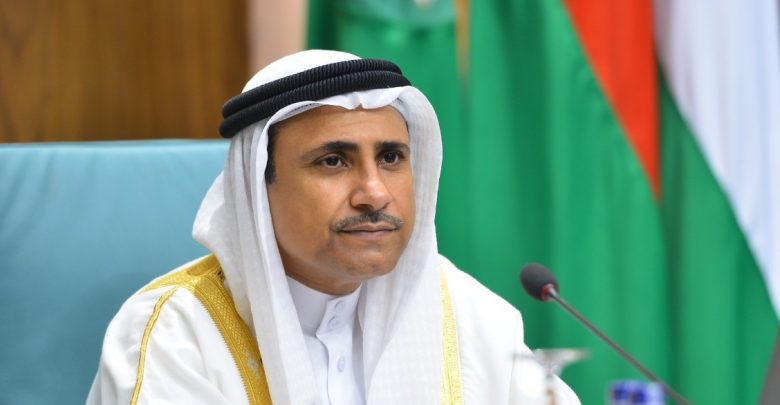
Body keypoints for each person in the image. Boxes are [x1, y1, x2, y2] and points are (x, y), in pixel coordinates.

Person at [86, 50, 580, 405]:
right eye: (333, 161)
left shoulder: (470, 315)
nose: (374, 193)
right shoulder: (177, 335)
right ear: (258, 188)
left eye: (391, 158)